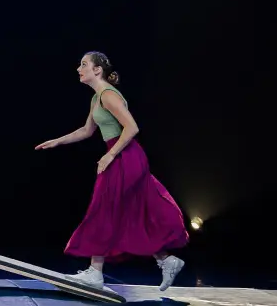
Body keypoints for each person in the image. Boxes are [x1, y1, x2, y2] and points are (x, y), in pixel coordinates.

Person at [35, 52, 188, 291]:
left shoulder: (107, 95)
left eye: (84, 64)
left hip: (125, 156)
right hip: (121, 156)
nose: (78, 69)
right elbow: (86, 131)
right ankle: (166, 259)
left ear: (97, 70)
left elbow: (132, 127)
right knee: (128, 213)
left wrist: (110, 154)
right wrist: (57, 141)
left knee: (103, 210)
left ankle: (95, 273)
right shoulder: (97, 98)